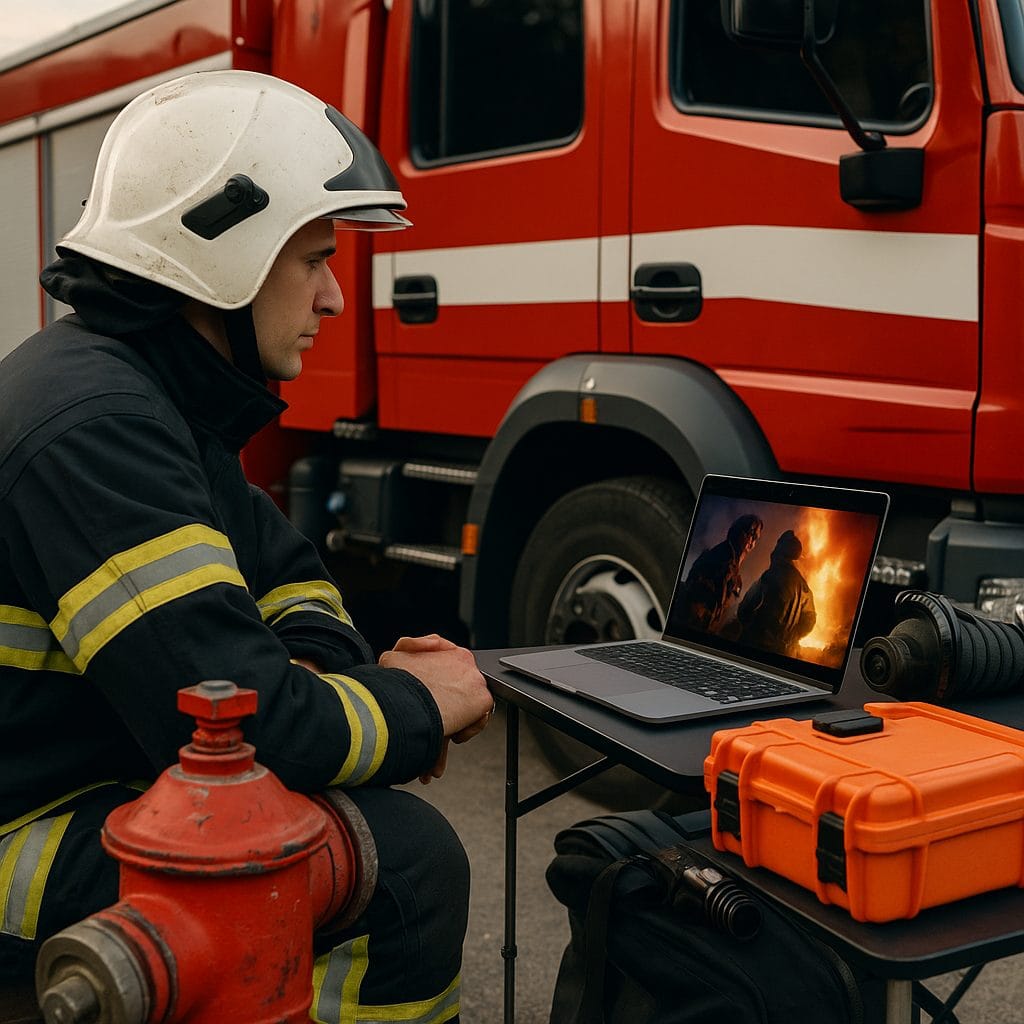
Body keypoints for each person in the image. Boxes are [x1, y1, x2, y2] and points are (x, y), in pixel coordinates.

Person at [0, 70, 493, 1021]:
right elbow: (254, 729)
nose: (335, 298)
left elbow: (290, 577)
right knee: (405, 868)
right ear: (220, 253)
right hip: (20, 832)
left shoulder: (152, 403)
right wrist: (420, 708)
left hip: (80, 783)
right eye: (312, 259)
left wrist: (323, 677)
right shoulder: (96, 429)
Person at [672, 513, 764, 632]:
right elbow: (696, 601)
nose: (752, 542)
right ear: (740, 533)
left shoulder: (734, 571)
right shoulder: (720, 558)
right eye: (751, 534)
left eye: (756, 538)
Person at [737, 529, 817, 657]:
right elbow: (810, 619)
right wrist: (791, 637)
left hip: (758, 647)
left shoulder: (770, 576)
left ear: (780, 551)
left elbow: (745, 609)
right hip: (785, 653)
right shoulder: (803, 586)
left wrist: (752, 630)